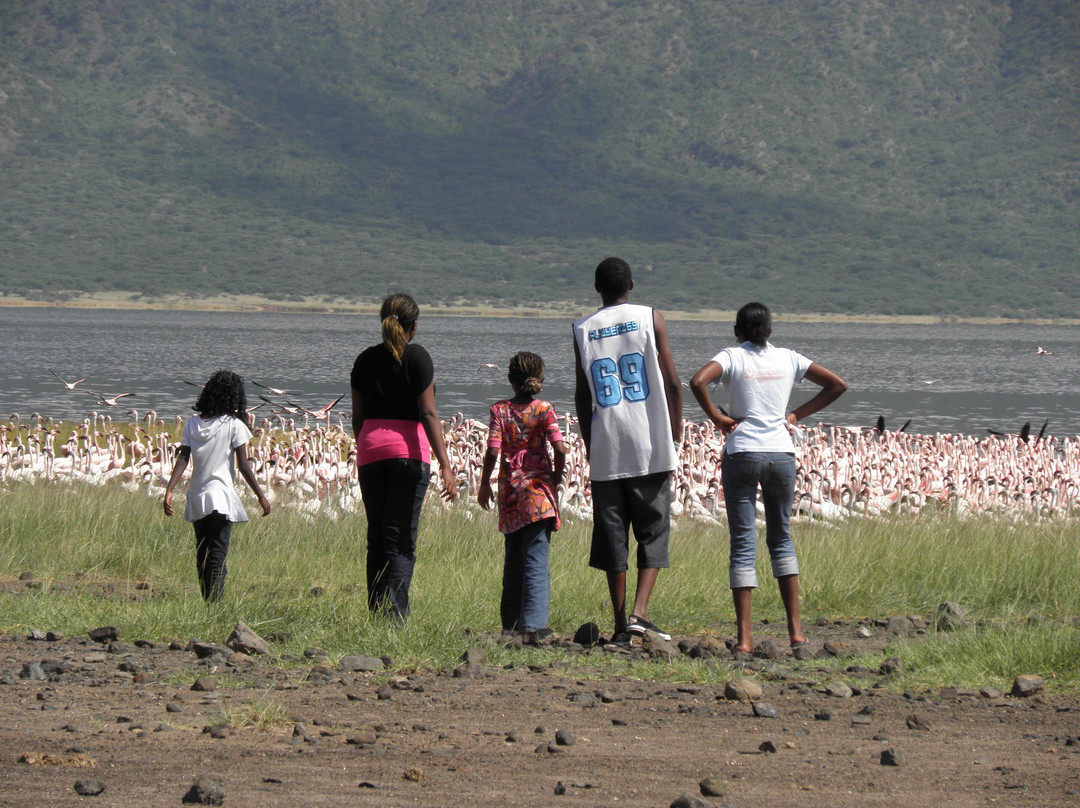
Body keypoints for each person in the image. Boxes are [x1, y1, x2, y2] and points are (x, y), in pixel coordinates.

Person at [689, 302, 847, 656]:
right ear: (770, 332)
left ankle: (745, 638)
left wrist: (717, 417)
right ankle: (795, 632)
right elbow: (837, 385)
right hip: (781, 453)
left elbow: (698, 381)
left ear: (736, 331)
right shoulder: (789, 358)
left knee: (743, 542)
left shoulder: (731, 356)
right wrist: (794, 415)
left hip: (742, 451)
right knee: (781, 538)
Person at [573, 257, 683, 643]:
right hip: (650, 443)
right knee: (653, 530)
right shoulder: (651, 317)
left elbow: (582, 395)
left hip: (607, 446)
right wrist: (677, 430)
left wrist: (591, 446)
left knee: (612, 537)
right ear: (631, 284)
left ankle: (621, 624)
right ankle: (640, 612)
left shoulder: (582, 328)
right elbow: (671, 381)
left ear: (596, 288)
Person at [350, 293, 458, 621]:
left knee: (377, 534)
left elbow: (357, 418)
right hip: (409, 455)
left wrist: (369, 445)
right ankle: (395, 618)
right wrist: (445, 464)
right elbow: (428, 413)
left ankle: (376, 611)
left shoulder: (364, 360)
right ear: (414, 326)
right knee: (400, 536)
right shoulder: (418, 358)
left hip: (370, 451)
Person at [477, 352, 568, 646]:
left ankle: (511, 626)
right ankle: (534, 627)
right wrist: (556, 474)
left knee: (514, 559)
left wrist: (483, 485)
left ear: (510, 380)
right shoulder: (544, 409)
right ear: (540, 379)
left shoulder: (499, 410)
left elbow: (492, 451)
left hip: (511, 495)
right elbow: (562, 448)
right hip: (539, 494)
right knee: (536, 559)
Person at [163, 370, 271, 601]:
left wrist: (169, 490)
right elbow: (243, 465)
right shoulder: (234, 425)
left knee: (202, 553)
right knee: (217, 554)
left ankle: (208, 602)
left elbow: (183, 458)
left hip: (197, 496)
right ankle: (216, 606)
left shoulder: (192, 424)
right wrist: (261, 496)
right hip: (221, 496)